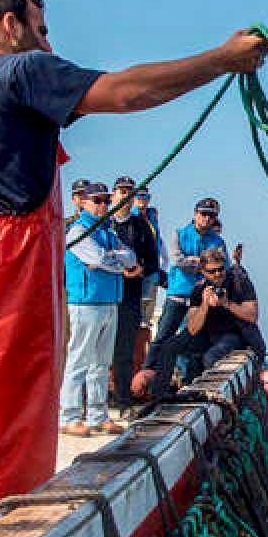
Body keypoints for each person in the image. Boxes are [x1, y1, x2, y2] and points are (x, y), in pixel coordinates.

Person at [0, 0, 268, 537]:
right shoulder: (19, 71)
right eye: (42, 30)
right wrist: (223, 60)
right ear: (10, 25)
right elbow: (126, 93)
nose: (49, 45)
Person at [131, 247, 264, 400]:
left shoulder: (239, 282)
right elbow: (192, 329)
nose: (217, 274)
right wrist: (205, 306)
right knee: (169, 346)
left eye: (220, 269)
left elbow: (252, 315)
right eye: (212, 271)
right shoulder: (199, 289)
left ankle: (210, 396)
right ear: (203, 272)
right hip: (207, 334)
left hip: (234, 335)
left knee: (210, 357)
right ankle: (159, 394)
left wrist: (227, 303)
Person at [61, 182, 136, 436]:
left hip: (109, 300)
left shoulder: (108, 231)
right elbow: (99, 259)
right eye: (97, 201)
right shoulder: (78, 231)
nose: (103, 205)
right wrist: (116, 262)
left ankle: (98, 415)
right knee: (79, 359)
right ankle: (69, 415)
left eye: (106, 201)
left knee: (102, 363)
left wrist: (111, 259)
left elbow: (131, 258)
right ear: (84, 202)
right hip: (86, 301)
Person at [107, 176, 159, 420]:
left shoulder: (141, 226)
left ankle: (123, 400)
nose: (125, 197)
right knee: (99, 350)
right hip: (104, 296)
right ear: (114, 194)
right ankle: (94, 399)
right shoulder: (104, 224)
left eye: (130, 192)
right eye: (122, 191)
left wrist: (139, 270)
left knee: (126, 348)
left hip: (130, 297)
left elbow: (152, 261)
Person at [158, 198, 226, 351]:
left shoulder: (218, 241)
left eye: (211, 215)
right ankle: (150, 370)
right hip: (178, 295)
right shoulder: (180, 234)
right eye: (203, 214)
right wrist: (202, 266)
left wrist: (192, 261)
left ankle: (187, 373)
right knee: (163, 337)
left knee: (195, 341)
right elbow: (177, 260)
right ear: (195, 214)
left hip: (201, 299)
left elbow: (221, 269)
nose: (207, 218)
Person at [134, 185, 165, 329]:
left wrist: (161, 267)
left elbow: (158, 240)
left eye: (145, 197)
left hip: (152, 269)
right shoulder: (131, 216)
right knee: (136, 313)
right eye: (139, 197)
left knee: (147, 317)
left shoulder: (152, 215)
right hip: (137, 270)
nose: (142, 200)